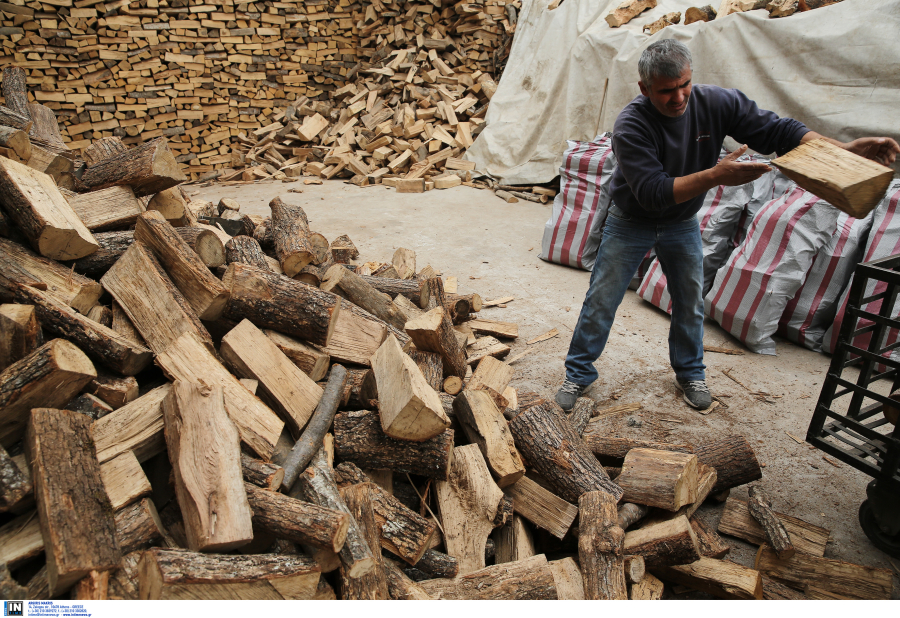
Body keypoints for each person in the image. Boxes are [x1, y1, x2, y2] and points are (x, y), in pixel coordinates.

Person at [555, 39, 900, 412]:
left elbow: (781, 131)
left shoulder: (717, 103)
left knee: (689, 303)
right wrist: (717, 175)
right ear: (645, 88)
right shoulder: (631, 124)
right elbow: (654, 192)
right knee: (602, 300)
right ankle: (578, 374)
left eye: (685, 85)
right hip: (631, 221)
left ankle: (691, 373)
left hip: (681, 221)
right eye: (666, 91)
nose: (678, 97)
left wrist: (840, 150)